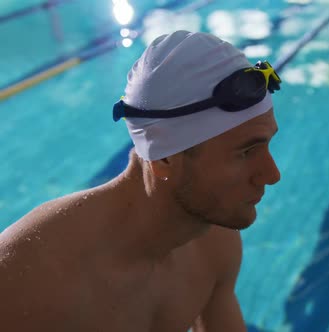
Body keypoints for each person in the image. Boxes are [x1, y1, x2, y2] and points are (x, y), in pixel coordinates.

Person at [0, 30, 282, 331]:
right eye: (246, 152)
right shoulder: (30, 281)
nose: (272, 174)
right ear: (164, 159)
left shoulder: (214, 242)